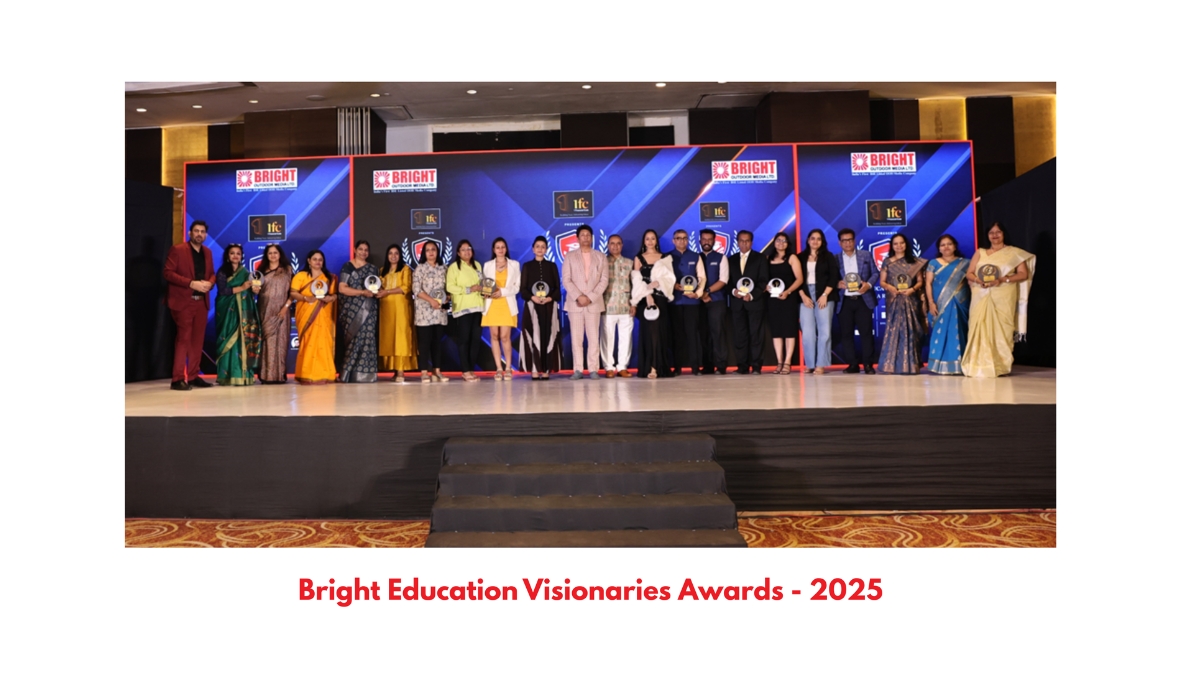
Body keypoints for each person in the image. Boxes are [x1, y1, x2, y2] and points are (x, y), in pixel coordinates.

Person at [961, 222, 1036, 378]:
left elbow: (1023, 274)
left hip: (1003, 296)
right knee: (979, 326)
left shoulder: (1014, 253)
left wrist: (1002, 279)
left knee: (1003, 329)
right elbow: (969, 273)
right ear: (987, 235)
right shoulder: (980, 252)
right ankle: (977, 365)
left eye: (998, 232)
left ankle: (1000, 366)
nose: (994, 235)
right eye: (991, 232)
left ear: (1004, 234)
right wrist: (978, 280)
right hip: (981, 294)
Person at [162, 220, 216, 390]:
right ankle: (177, 379)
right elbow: (167, 273)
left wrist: (210, 283)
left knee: (197, 341)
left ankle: (193, 376)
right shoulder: (178, 250)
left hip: (201, 302)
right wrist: (191, 283)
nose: (199, 234)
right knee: (183, 339)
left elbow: (212, 274)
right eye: (196, 231)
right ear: (189, 233)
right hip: (183, 301)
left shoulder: (207, 252)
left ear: (206, 235)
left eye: (202, 231)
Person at [561, 225, 609, 380]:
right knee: (577, 339)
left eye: (588, 235)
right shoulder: (570, 256)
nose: (586, 237)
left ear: (592, 237)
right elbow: (566, 280)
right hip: (575, 304)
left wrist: (590, 297)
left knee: (593, 338)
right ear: (577, 238)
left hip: (593, 303)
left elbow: (604, 280)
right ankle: (578, 369)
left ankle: (593, 369)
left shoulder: (600, 256)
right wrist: (578, 296)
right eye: (583, 235)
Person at [877, 233, 927, 374]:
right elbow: (882, 282)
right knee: (894, 331)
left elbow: (920, 281)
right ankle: (890, 365)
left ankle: (911, 365)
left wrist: (912, 290)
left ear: (906, 244)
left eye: (902, 243)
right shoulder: (888, 262)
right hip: (894, 300)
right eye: (896, 243)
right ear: (892, 246)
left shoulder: (915, 262)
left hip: (910, 300)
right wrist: (890, 288)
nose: (899, 246)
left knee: (911, 331)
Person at [213, 243, 261, 385]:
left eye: (238, 253)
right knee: (228, 339)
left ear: (241, 256)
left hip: (244, 311)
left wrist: (254, 290)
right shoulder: (222, 272)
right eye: (232, 253)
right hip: (227, 311)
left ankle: (244, 376)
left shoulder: (246, 273)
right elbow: (223, 291)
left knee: (244, 340)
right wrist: (241, 287)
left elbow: (250, 292)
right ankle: (226, 376)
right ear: (227, 256)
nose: (235, 256)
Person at [632, 229, 676, 378]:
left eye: (652, 238)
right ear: (644, 241)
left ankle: (658, 366)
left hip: (661, 299)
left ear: (656, 240)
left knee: (659, 333)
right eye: (647, 239)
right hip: (645, 300)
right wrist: (648, 296)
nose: (650, 241)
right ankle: (650, 367)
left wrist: (659, 282)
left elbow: (670, 279)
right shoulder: (638, 258)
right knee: (649, 333)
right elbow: (637, 281)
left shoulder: (665, 258)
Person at [834, 228, 879, 375]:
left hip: (863, 300)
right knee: (846, 334)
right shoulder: (835, 259)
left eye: (850, 240)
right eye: (844, 240)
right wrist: (837, 284)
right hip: (844, 301)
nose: (847, 243)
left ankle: (868, 364)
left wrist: (868, 285)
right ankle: (852, 364)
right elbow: (830, 278)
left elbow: (875, 273)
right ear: (840, 243)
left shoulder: (865, 255)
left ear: (854, 241)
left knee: (866, 333)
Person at [290, 249, 338, 384]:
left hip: (323, 314)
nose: (318, 262)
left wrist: (331, 298)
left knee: (323, 342)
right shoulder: (301, 276)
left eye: (320, 260)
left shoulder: (329, 278)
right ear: (309, 261)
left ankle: (325, 374)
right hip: (306, 313)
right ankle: (305, 374)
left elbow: (334, 295)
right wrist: (306, 298)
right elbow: (293, 293)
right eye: (315, 259)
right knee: (308, 342)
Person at [925, 235, 971, 375]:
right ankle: (938, 365)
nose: (946, 247)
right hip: (939, 303)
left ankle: (959, 365)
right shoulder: (933, 263)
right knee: (941, 331)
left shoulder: (965, 263)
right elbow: (928, 283)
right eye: (942, 245)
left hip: (960, 303)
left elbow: (971, 282)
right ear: (939, 248)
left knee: (958, 331)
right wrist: (931, 303)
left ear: (955, 246)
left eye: (949, 244)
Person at [519, 236, 563, 380]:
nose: (540, 249)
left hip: (549, 307)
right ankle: (534, 368)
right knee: (534, 335)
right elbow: (523, 290)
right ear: (533, 249)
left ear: (546, 249)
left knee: (548, 335)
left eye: (543, 246)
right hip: (532, 307)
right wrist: (533, 298)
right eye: (537, 246)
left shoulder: (552, 266)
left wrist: (550, 298)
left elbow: (557, 289)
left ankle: (547, 369)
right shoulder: (527, 266)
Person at [797, 229, 840, 375]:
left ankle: (821, 364)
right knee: (807, 332)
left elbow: (834, 277)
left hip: (825, 294)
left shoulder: (828, 256)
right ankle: (810, 364)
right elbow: (794, 278)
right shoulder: (800, 257)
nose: (815, 241)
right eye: (813, 238)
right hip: (805, 295)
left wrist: (824, 295)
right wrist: (803, 295)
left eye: (819, 239)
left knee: (824, 331)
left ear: (822, 241)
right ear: (808, 240)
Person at [337, 240, 380, 383]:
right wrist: (362, 292)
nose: (363, 252)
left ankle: (366, 374)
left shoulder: (373, 269)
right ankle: (348, 374)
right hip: (351, 309)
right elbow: (342, 288)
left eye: (366, 250)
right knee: (354, 340)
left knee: (368, 338)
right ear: (355, 250)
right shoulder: (348, 266)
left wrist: (377, 292)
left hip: (369, 308)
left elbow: (376, 287)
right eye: (360, 249)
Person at [729, 230, 769, 374]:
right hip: (737, 304)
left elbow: (764, 280)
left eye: (747, 241)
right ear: (737, 242)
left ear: (751, 242)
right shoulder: (731, 259)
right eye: (741, 241)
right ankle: (742, 366)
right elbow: (727, 282)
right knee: (740, 336)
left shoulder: (760, 258)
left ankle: (756, 366)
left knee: (756, 335)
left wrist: (752, 295)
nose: (744, 244)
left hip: (755, 303)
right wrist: (734, 291)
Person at [445, 239, 485, 381]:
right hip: (463, 308)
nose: (467, 251)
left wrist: (484, 290)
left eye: (469, 248)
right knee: (464, 340)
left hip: (478, 307)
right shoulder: (454, 267)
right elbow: (450, 287)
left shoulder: (477, 265)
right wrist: (468, 289)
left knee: (475, 340)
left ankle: (471, 369)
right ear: (458, 253)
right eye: (463, 249)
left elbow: (482, 284)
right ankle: (465, 370)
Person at [667, 229, 705, 376]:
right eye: (678, 238)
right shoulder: (667, 257)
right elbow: (663, 278)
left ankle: (695, 367)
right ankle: (677, 367)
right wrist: (673, 286)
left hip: (692, 303)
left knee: (692, 334)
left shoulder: (695, 256)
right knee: (677, 335)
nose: (682, 241)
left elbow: (702, 278)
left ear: (688, 240)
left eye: (684, 238)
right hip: (674, 301)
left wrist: (698, 294)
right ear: (673, 240)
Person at [482, 237, 521, 380]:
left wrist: (502, 292)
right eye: (497, 247)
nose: (500, 250)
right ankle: (498, 368)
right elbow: (485, 285)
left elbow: (517, 287)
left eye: (503, 247)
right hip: (492, 304)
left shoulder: (514, 264)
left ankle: (508, 367)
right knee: (494, 336)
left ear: (506, 249)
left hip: (507, 304)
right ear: (493, 250)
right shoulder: (487, 265)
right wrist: (487, 292)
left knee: (505, 336)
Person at [412, 241, 450, 383]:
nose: (431, 252)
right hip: (424, 312)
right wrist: (431, 301)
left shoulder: (444, 268)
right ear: (424, 253)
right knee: (424, 343)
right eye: (427, 250)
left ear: (437, 251)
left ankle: (436, 371)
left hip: (439, 312)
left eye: (433, 249)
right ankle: (424, 372)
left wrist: (447, 298)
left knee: (437, 343)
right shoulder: (420, 269)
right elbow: (416, 290)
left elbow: (448, 288)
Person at [378, 244, 417, 382]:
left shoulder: (405, 269)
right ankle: (394, 369)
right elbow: (378, 288)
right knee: (389, 337)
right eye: (390, 253)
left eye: (396, 253)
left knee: (401, 337)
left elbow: (406, 287)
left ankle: (401, 370)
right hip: (386, 309)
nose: (393, 256)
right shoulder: (382, 271)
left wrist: (387, 292)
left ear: (400, 256)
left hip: (402, 308)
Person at [255, 244, 293, 384]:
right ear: (266, 255)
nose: (273, 255)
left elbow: (293, 292)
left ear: (280, 254)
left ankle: (280, 375)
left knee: (281, 343)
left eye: (275, 252)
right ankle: (266, 375)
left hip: (282, 311)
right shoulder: (261, 271)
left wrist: (285, 308)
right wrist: (255, 290)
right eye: (270, 253)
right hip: (265, 310)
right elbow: (256, 289)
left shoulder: (287, 270)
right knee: (267, 343)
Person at [765, 232, 802, 375]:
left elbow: (799, 279)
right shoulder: (767, 259)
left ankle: (787, 362)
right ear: (774, 242)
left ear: (788, 243)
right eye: (778, 240)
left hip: (789, 299)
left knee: (789, 331)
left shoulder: (792, 258)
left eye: (784, 240)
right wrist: (765, 287)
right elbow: (763, 278)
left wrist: (788, 291)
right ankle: (779, 362)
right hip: (773, 299)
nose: (781, 243)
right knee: (776, 332)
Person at [600, 234, 635, 378]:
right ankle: (608, 367)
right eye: (612, 243)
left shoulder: (630, 263)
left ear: (622, 245)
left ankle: (622, 367)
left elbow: (635, 285)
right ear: (608, 245)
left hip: (626, 306)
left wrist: (634, 303)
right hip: (607, 306)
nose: (615, 246)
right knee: (607, 339)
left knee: (626, 338)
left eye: (618, 243)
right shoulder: (602, 263)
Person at [697, 229, 729, 375]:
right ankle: (707, 366)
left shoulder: (721, 258)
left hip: (717, 301)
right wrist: (701, 295)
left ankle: (721, 365)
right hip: (699, 303)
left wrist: (707, 292)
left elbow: (723, 280)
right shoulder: (695, 258)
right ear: (700, 241)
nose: (707, 242)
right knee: (703, 335)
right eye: (704, 239)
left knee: (718, 333)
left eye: (710, 239)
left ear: (714, 241)